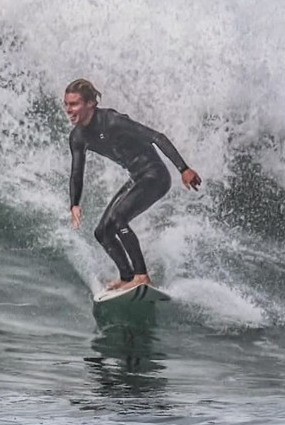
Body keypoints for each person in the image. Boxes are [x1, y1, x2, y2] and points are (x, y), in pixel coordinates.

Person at [64, 79, 202, 291]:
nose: (68, 109)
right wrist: (74, 203)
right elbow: (76, 172)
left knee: (119, 219)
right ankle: (127, 277)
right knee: (102, 232)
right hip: (137, 177)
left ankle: (142, 276)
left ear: (91, 103)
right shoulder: (78, 137)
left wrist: (183, 169)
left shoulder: (111, 121)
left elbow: (157, 136)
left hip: (155, 175)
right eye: (66, 104)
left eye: (74, 104)